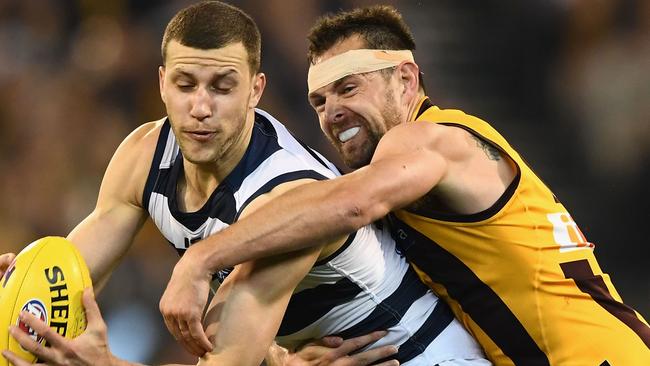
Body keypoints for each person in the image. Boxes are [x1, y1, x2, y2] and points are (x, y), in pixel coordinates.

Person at [154, 4, 650, 366]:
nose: (333, 113)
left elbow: (348, 206)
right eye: (319, 102)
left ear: (407, 80)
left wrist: (203, 256)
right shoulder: (410, 183)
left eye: (349, 88)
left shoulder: (429, 138)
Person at [0, 2, 490, 366]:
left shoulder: (285, 199)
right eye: (186, 84)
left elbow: (228, 360)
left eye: (222, 86)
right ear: (162, 84)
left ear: (256, 89)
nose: (201, 107)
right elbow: (68, 276)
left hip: (424, 357)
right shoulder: (145, 155)